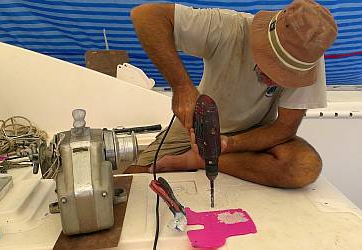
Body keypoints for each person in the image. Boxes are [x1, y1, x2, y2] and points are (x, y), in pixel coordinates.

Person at [127, 0, 338, 188]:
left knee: (304, 166)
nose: (278, 79)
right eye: (273, 67)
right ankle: (202, 154)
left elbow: (284, 128)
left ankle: (198, 159)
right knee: (135, 177)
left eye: (287, 75)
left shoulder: (308, 56)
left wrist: (228, 145)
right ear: (262, 42)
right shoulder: (228, 27)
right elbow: (146, 15)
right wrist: (182, 87)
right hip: (198, 126)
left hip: (256, 134)